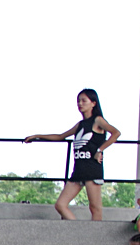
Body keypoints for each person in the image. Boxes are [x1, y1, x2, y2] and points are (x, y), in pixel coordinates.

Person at [23, 88, 121, 221]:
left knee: (95, 207)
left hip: (92, 168)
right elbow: (60, 136)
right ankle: (78, 230)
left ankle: (96, 238)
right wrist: (37, 136)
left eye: (84, 100)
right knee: (60, 205)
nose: (80, 104)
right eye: (78, 101)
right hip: (78, 170)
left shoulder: (98, 120)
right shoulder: (80, 124)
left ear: (93, 103)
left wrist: (100, 150)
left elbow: (115, 133)